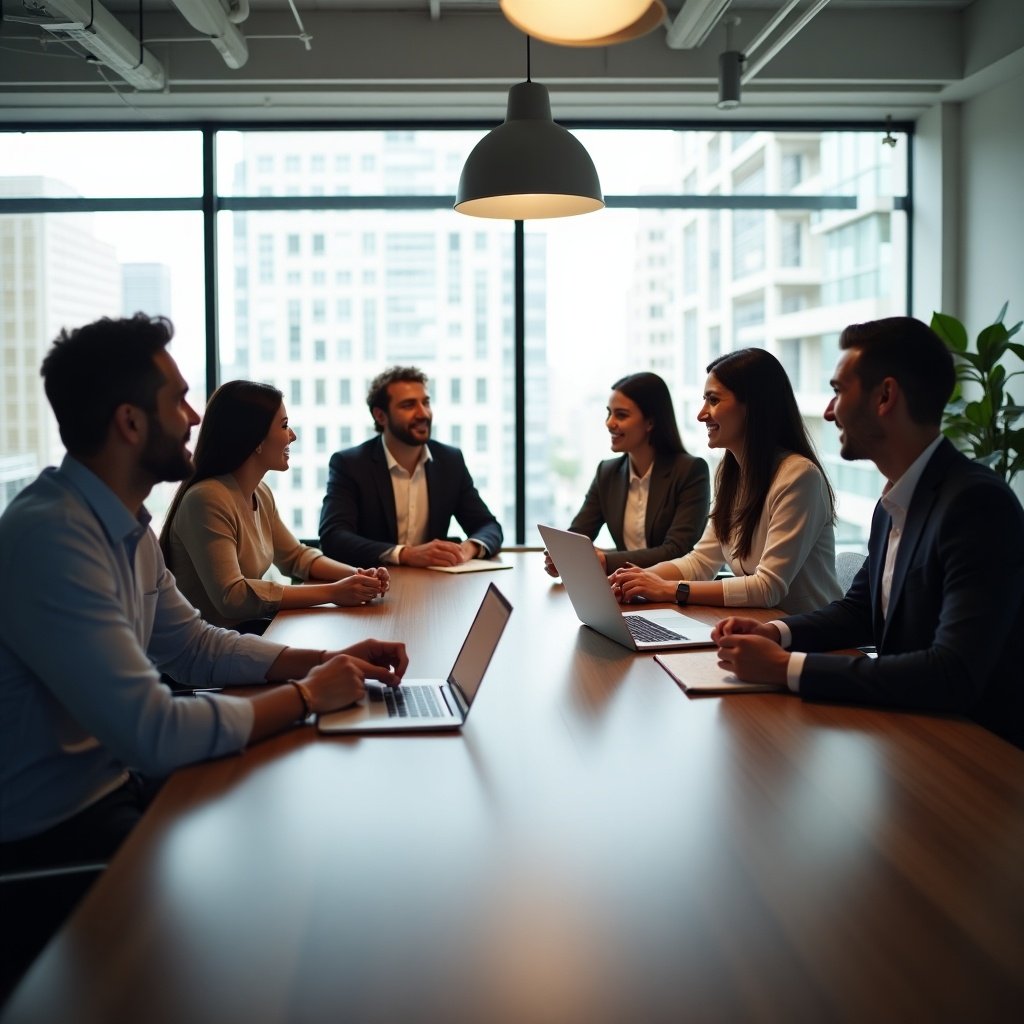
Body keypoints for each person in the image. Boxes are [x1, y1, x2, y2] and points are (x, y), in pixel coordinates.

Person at [0, 315, 408, 869]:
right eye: (179, 402)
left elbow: (194, 646)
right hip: (58, 835)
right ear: (130, 423)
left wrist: (326, 660)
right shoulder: (53, 539)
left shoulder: (125, 527)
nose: (194, 419)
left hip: (118, 783)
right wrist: (308, 696)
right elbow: (155, 731)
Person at [713, 317, 1024, 749]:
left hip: (973, 752)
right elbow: (858, 613)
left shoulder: (976, 504)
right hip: (904, 732)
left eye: (838, 391)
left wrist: (787, 668)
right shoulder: (891, 504)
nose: (828, 410)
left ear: (885, 397)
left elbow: (952, 672)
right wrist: (777, 634)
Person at [610, 348, 842, 615]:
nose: (701, 414)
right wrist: (635, 580)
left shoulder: (800, 477)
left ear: (752, 407)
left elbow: (767, 588)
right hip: (756, 629)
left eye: (713, 400)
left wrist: (668, 589)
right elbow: (700, 562)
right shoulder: (731, 473)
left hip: (809, 641)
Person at [160, 380, 389, 632]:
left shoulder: (260, 491)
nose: (293, 435)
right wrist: (333, 592)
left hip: (239, 636)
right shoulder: (206, 499)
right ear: (254, 438)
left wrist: (356, 576)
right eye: (284, 425)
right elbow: (232, 598)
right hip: (204, 653)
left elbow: (295, 557)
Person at [319, 365, 503, 568]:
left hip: (435, 585)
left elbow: (488, 526)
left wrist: (468, 548)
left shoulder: (450, 461)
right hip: (373, 585)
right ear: (380, 416)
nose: (423, 413)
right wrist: (405, 554)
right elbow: (333, 538)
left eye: (426, 402)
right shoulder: (350, 464)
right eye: (408, 405)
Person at [544, 372, 710, 577]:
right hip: (626, 590)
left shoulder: (690, 471)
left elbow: (677, 550)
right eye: (609, 413)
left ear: (650, 422)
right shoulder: (607, 473)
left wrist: (606, 561)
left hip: (673, 592)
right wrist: (562, 556)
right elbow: (578, 535)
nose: (609, 423)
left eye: (621, 415)